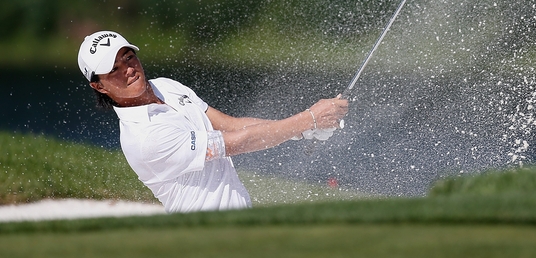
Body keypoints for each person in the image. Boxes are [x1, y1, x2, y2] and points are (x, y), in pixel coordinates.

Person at [77, 30, 348, 213]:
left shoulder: (165, 87)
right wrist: (308, 118)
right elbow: (234, 143)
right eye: (114, 70)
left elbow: (230, 125)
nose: (129, 70)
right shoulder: (145, 137)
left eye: (128, 57)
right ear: (99, 87)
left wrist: (304, 131)